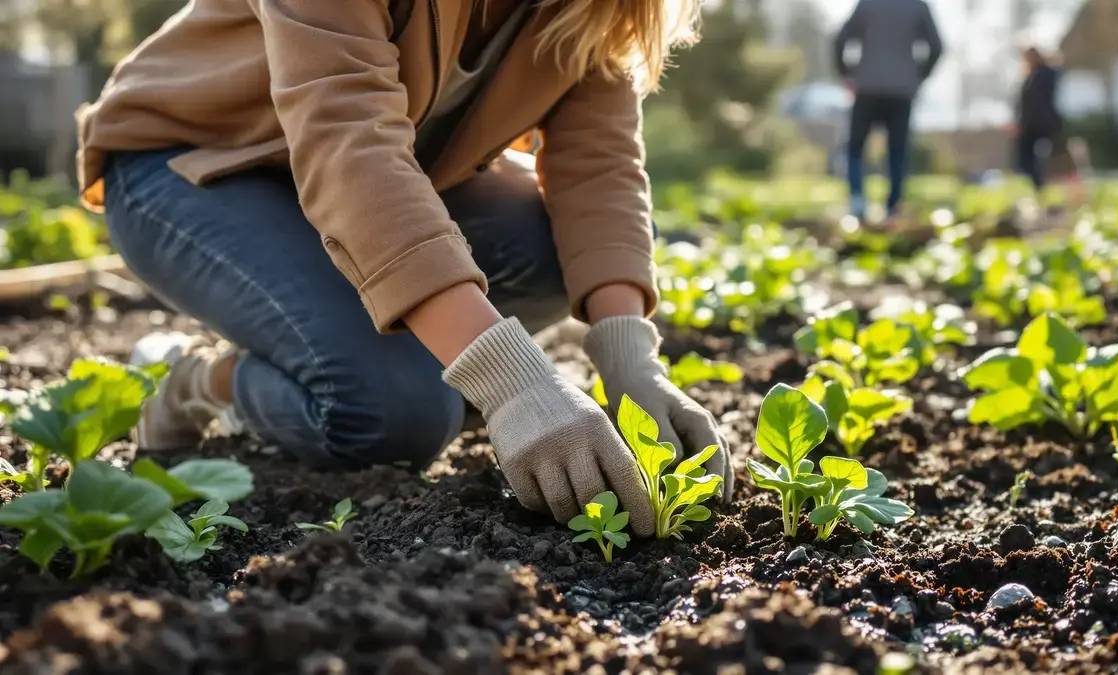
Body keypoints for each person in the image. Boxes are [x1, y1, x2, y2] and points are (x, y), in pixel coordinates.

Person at [75, 0, 732, 539]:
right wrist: (511, 385)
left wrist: (628, 360)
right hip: (191, 167)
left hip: (361, 188)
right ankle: (196, 380)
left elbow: (599, 166)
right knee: (396, 412)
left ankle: (332, 336)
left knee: (556, 249)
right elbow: (347, 143)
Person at [834, 0, 943, 221]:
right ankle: (893, 205)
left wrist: (846, 73)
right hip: (901, 89)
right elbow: (937, 47)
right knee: (898, 150)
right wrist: (918, 75)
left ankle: (857, 199)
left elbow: (840, 40)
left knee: (855, 147)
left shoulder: (868, 5)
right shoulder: (918, 7)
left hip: (867, 85)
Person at [1012, 46, 1063, 193]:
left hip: (1041, 124)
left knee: (1039, 156)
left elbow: (1037, 102)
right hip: (1030, 124)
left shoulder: (1045, 75)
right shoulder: (1031, 76)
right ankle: (1038, 185)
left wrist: (1024, 122)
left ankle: (1041, 185)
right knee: (1025, 159)